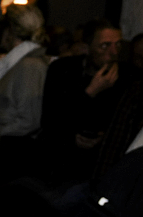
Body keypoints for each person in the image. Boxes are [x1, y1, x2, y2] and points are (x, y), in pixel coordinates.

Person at [40, 20, 128, 184]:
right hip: (59, 163)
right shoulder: (63, 70)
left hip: (100, 168)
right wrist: (91, 92)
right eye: (105, 46)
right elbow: (52, 120)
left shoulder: (126, 78)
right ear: (87, 47)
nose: (113, 52)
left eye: (118, 44)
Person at [0, 4, 49, 178]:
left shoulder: (30, 65)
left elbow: (30, 119)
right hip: (6, 146)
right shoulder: (18, 61)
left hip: (12, 150)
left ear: (10, 31)